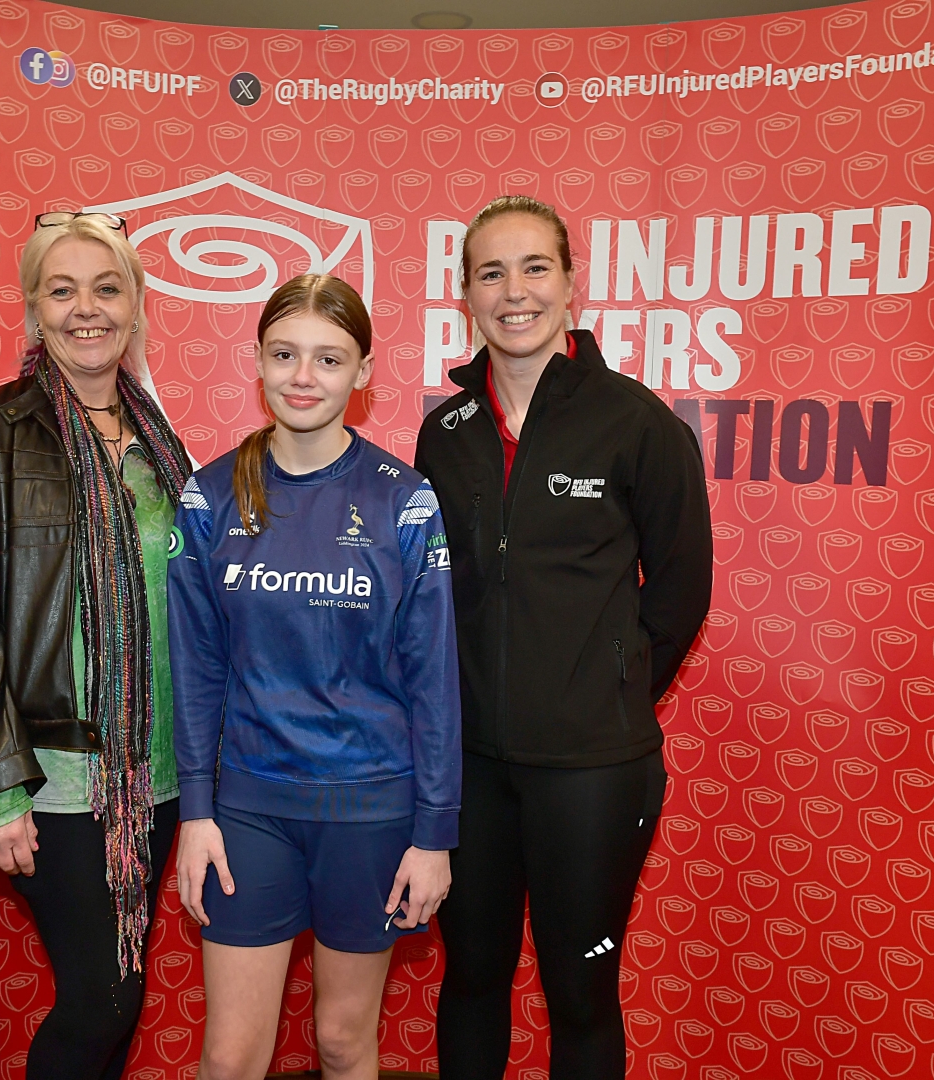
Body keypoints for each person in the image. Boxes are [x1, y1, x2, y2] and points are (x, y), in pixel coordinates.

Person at [414, 196, 713, 1079]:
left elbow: (682, 593)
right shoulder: (446, 432)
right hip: (468, 769)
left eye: (535, 268)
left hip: (591, 769)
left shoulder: (638, 422)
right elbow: (434, 596)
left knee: (581, 994)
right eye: (491, 272)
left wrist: (603, 692)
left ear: (573, 285)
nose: (515, 292)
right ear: (466, 291)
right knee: (471, 978)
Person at [168, 274, 461, 1080]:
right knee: (228, 1057)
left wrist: (434, 833)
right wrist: (197, 811)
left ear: (364, 372)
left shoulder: (405, 501)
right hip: (249, 812)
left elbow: (434, 680)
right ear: (256, 363)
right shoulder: (208, 496)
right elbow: (195, 669)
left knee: (341, 1042)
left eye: (329, 359)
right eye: (285, 354)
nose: (304, 376)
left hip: (370, 811)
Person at [0, 212, 193, 1080]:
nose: (87, 308)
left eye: (107, 287)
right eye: (63, 288)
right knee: (104, 998)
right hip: (52, 781)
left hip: (154, 780)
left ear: (135, 305)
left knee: (120, 995)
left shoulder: (161, 442)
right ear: (33, 308)